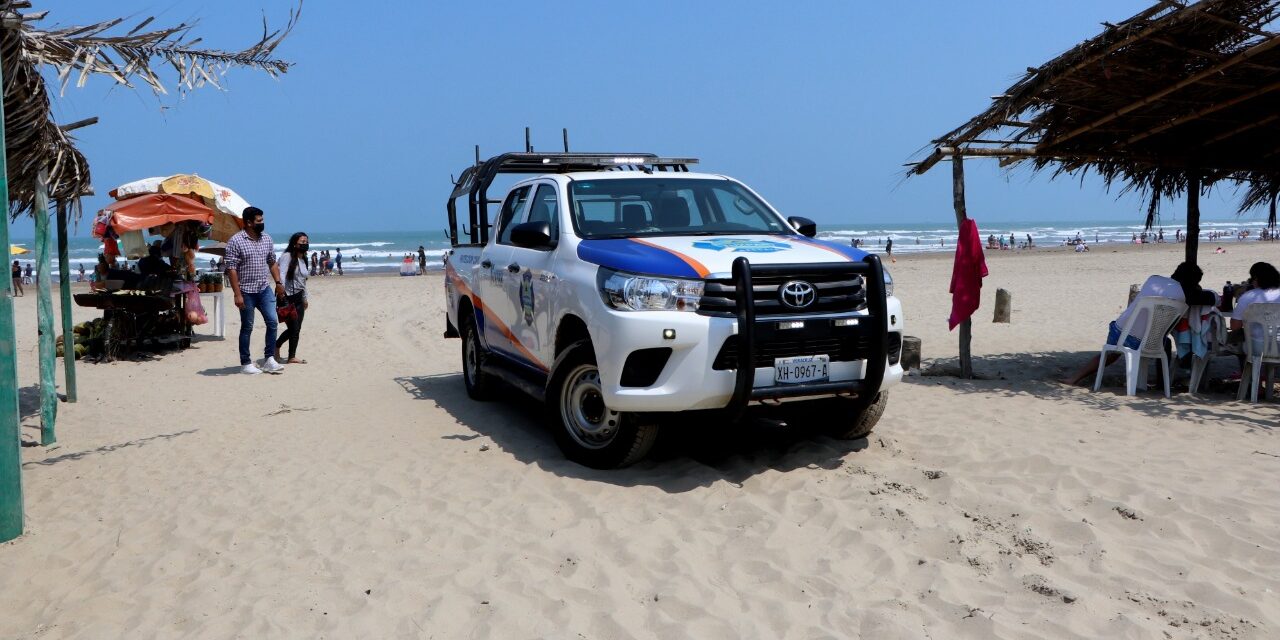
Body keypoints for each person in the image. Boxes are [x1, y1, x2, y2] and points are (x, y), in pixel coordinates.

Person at [1065, 262, 1212, 385]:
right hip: (1148, 342)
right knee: (1165, 343)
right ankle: (1162, 384)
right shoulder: (1183, 297)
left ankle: (1074, 378)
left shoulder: (1153, 279)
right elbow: (1211, 298)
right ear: (1194, 283)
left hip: (1121, 332)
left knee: (1110, 353)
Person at [224, 206, 286, 375]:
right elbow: (232, 269)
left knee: (273, 322)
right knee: (247, 327)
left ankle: (269, 359)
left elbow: (272, 262)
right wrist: (237, 294)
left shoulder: (267, 239)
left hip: (264, 289)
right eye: (259, 221)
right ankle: (245, 363)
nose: (262, 223)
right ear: (249, 223)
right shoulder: (236, 241)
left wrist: (278, 282)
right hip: (245, 291)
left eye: (263, 220)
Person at [275, 232, 311, 365]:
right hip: (287, 296)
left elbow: (303, 281)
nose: (305, 244)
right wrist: (281, 293)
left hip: (299, 297)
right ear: (295, 243)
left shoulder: (304, 259)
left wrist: (305, 298)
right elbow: (282, 274)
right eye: (302, 242)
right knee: (293, 328)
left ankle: (291, 357)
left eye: (306, 242)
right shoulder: (287, 256)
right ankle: (276, 346)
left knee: (297, 329)